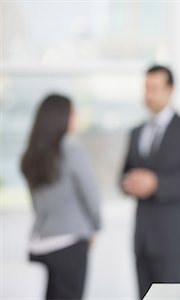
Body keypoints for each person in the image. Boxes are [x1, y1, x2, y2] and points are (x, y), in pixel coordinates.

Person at [121, 65, 180, 298]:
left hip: (172, 236)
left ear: (170, 90)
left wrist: (156, 184)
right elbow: (124, 175)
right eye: (146, 88)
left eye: (154, 88)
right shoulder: (136, 132)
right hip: (142, 236)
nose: (148, 95)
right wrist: (128, 183)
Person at [21, 94, 101, 299]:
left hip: (37, 246)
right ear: (62, 117)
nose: (76, 118)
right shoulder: (72, 150)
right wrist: (94, 227)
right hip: (69, 246)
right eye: (73, 113)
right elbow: (91, 196)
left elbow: (37, 205)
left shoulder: (31, 155)